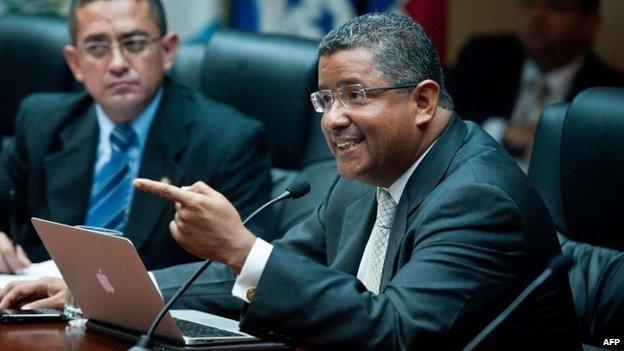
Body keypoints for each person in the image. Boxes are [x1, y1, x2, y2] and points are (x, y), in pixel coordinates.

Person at [0, 13, 580, 350]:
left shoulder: (476, 196)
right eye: (325, 98)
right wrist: (101, 287)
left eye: (355, 95)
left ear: (424, 101)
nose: (332, 119)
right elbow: (261, 274)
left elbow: (397, 333)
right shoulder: (362, 177)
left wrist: (241, 247)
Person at [0, 0, 274, 272]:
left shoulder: (229, 140)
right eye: (97, 48)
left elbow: (245, 268)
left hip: (158, 312)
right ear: (75, 62)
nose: (118, 63)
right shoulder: (41, 121)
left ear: (167, 50)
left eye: (134, 43)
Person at [447, 0, 624, 169]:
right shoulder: (482, 57)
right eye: (529, 4)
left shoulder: (611, 93)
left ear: (590, 23)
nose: (537, 16)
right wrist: (500, 130)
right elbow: (443, 124)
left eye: (556, 7)